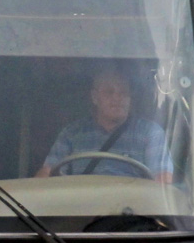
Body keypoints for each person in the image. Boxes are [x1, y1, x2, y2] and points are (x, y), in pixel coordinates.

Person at [35, 69, 173, 182]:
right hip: (81, 210)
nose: (117, 98)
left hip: (132, 212)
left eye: (123, 92)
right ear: (95, 97)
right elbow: (47, 174)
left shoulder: (150, 132)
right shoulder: (72, 133)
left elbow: (163, 181)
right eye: (109, 92)